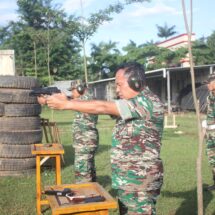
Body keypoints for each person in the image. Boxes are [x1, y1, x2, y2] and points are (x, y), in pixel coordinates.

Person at [46, 62, 164, 215]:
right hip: (129, 179)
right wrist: (68, 99)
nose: (117, 90)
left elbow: (102, 107)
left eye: (120, 85)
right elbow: (102, 106)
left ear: (136, 82)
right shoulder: (133, 103)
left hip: (140, 181)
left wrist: (66, 104)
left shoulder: (147, 102)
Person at [38, 80, 99, 183]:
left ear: (80, 88)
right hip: (86, 140)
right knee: (88, 167)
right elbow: (71, 101)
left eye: (73, 90)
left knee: (82, 172)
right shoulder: (86, 98)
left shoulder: (86, 99)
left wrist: (49, 99)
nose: (72, 93)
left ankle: (84, 193)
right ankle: (93, 192)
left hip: (85, 140)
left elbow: (70, 102)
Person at [204, 73, 215, 191]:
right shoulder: (210, 96)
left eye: (209, 82)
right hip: (211, 132)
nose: (207, 85)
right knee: (212, 158)